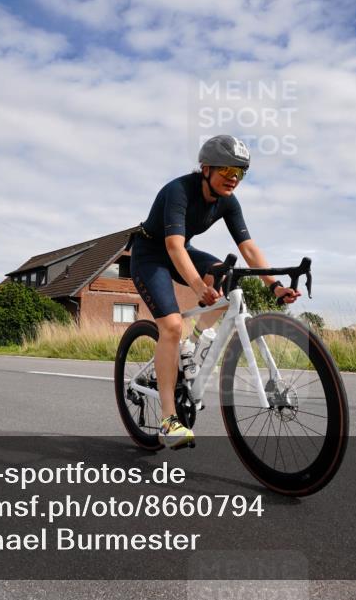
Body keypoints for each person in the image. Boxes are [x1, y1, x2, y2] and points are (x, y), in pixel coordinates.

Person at [129, 135, 301, 449]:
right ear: (206, 168)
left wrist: (275, 286)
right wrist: (198, 287)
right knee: (169, 325)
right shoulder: (178, 191)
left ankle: (191, 346)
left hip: (183, 250)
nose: (233, 179)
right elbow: (173, 245)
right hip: (150, 253)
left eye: (240, 173)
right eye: (227, 171)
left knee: (226, 277)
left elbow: (248, 247)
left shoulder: (228, 201)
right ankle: (169, 420)